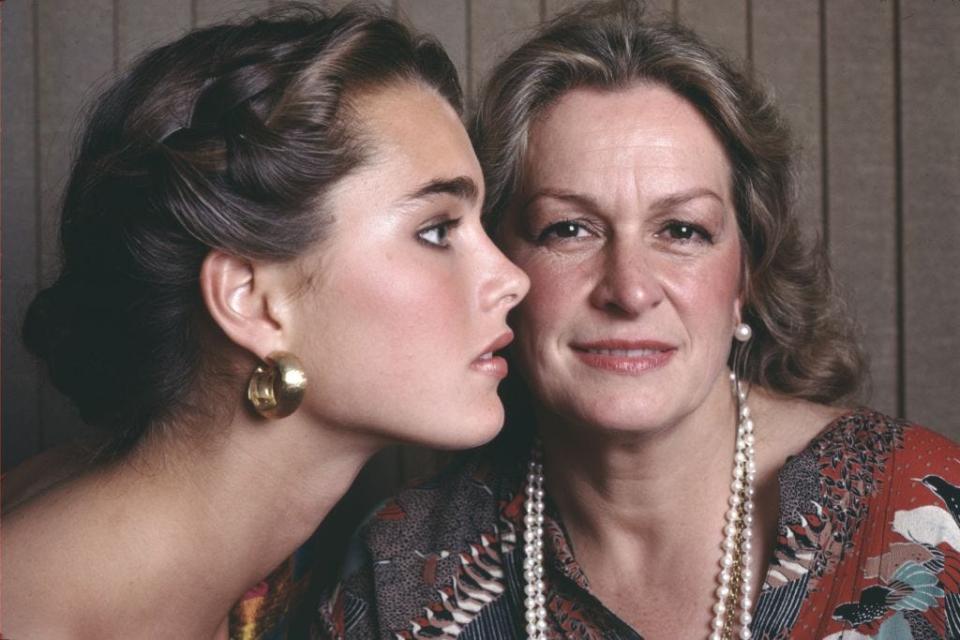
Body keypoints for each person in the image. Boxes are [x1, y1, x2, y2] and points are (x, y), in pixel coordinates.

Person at [318, 1, 960, 638]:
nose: (628, 289)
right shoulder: (399, 574)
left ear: (745, 278)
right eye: (568, 229)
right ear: (499, 265)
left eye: (681, 230)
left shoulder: (929, 510)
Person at [1, 5, 529, 639]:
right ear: (251, 301)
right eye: (437, 230)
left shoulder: (245, 559)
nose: (513, 279)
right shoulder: (36, 607)